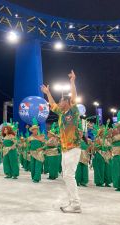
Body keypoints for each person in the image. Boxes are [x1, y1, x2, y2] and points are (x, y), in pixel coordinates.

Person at [41, 70, 82, 213]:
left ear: (67, 103)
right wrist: (47, 93)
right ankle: (73, 202)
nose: (59, 103)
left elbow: (74, 97)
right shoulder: (61, 113)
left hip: (73, 148)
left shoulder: (74, 112)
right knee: (66, 176)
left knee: (69, 175)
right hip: (65, 149)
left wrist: (72, 82)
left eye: (61, 101)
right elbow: (52, 104)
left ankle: (76, 204)